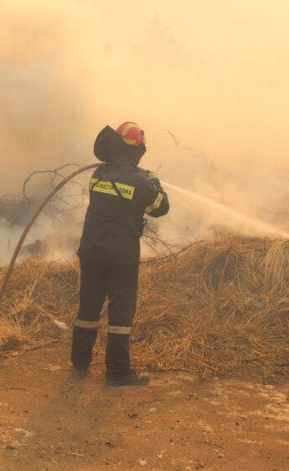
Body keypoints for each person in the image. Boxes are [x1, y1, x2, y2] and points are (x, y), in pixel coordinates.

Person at [72, 122, 170, 387]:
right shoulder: (141, 183)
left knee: (88, 307)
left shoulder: (98, 176)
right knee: (121, 315)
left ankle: (79, 364)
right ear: (136, 151)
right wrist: (153, 181)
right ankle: (117, 372)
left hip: (91, 250)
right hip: (120, 255)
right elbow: (161, 207)